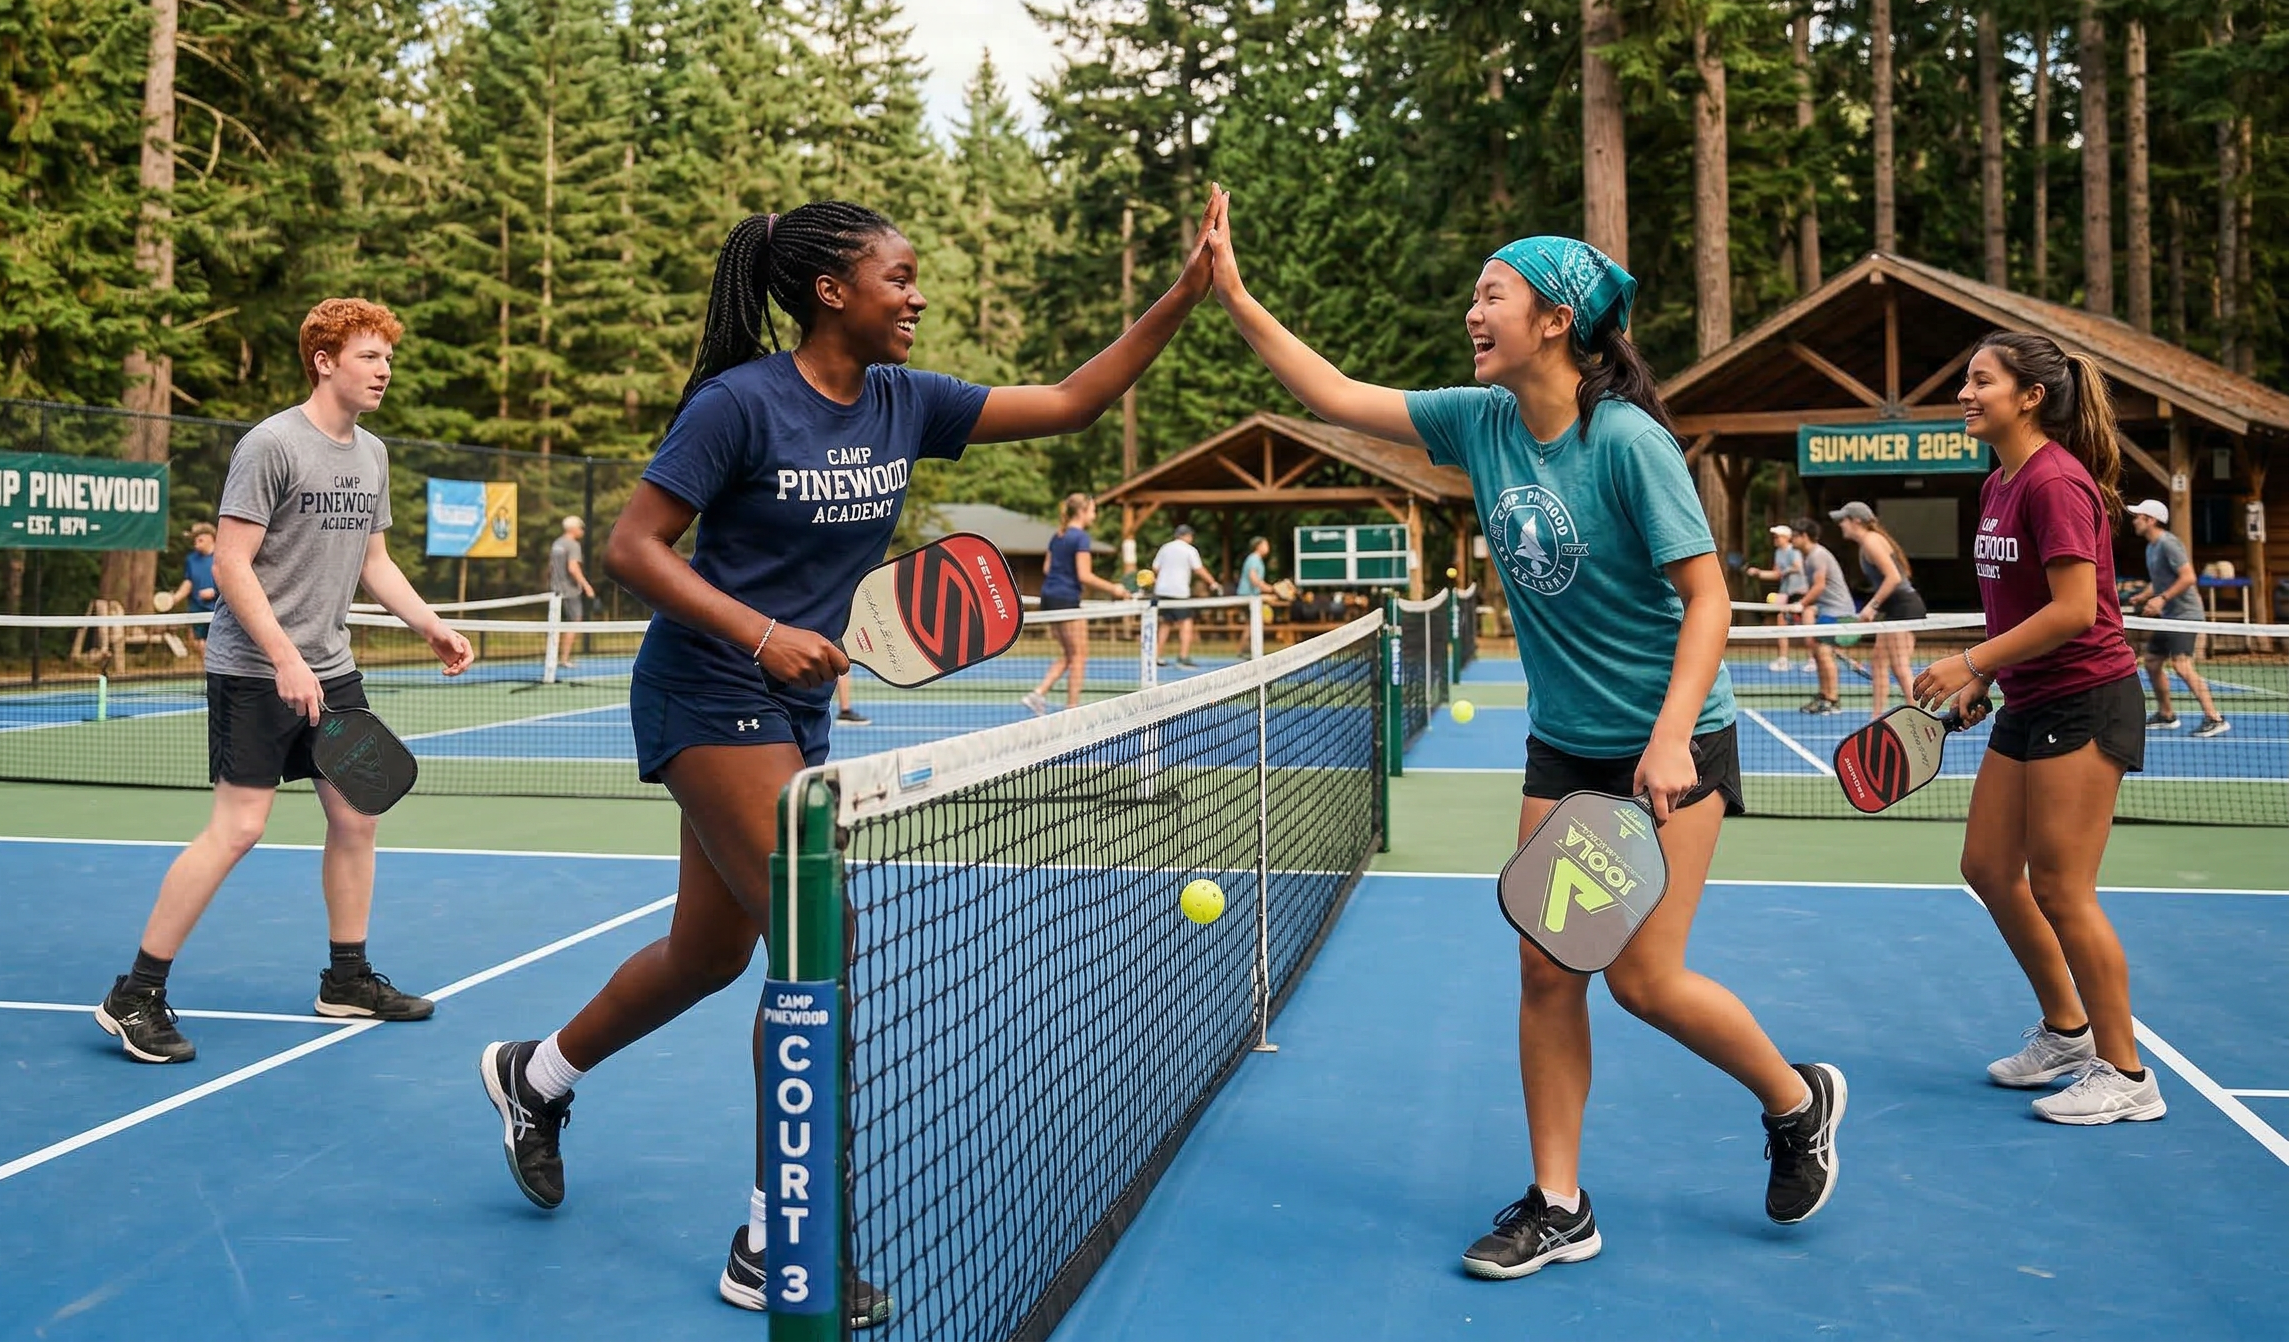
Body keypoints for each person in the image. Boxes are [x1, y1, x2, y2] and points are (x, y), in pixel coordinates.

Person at [478, 191, 1222, 1322]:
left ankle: (534, 1076)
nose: (918, 293)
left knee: (706, 953)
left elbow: (1074, 401)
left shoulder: (905, 403)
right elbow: (636, 546)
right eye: (899, 276)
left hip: (796, 705)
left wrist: (1183, 294)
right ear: (833, 292)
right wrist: (763, 633)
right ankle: (771, 1238)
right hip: (712, 687)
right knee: (824, 940)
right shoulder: (738, 406)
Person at [1203, 205, 1844, 1276]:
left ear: (1554, 320)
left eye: (1491, 294)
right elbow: (1332, 393)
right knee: (1547, 972)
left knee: (1643, 980)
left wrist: (1673, 737)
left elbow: (1708, 599)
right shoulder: (1478, 422)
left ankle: (1795, 1098)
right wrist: (1233, 296)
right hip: (1565, 746)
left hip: (1671, 746)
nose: (1472, 311)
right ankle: (1560, 1203)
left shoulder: (1628, 442)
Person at [94, 300, 476, 1065]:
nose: (384, 369)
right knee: (239, 829)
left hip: (329, 668)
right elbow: (233, 565)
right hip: (253, 670)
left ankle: (347, 979)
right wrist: (283, 658)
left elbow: (374, 562)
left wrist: (427, 622)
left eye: (387, 358)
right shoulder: (270, 445)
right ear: (325, 360)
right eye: (370, 356)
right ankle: (133, 994)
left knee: (357, 815)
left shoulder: (372, 455)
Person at [1915, 331, 2165, 1125]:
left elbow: (2074, 611)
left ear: (2029, 396)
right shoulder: (2000, 483)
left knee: (2061, 886)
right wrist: (1989, 677)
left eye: (1980, 379)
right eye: (1965, 378)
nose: (1964, 392)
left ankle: (2126, 1075)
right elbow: (2023, 610)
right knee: (1988, 866)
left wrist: (1971, 661)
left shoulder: (2055, 481)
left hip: (2087, 699)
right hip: (2031, 700)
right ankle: (2067, 1031)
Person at [2125, 499, 2226, 737]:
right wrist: (2144, 596)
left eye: (2138, 516)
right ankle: (2166, 714)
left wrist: (2161, 599)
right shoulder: (2151, 547)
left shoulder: (2169, 544)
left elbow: (2188, 577)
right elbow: (2161, 580)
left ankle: (2215, 718)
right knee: (2151, 661)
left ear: (2150, 520)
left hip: (2185, 616)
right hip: (2169, 616)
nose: (2134, 520)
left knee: (2181, 665)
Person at [1026, 493, 1127, 715]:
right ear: (1082, 512)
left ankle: (1038, 693)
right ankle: (1072, 709)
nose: (1095, 515)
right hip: (1066, 599)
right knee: (1080, 655)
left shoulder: (1057, 536)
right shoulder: (1080, 538)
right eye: (1093, 510)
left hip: (1049, 597)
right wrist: (1115, 588)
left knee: (1070, 654)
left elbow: (1046, 569)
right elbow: (1084, 575)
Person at [1833, 501, 1926, 717]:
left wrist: (1871, 607)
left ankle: (1920, 716)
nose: (1840, 525)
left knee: (1900, 666)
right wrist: (1876, 608)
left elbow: (1893, 577)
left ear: (1856, 521)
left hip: (1904, 607)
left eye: (1843, 520)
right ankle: (1876, 716)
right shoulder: (1868, 542)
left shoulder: (1872, 542)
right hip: (1894, 607)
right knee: (1878, 660)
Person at [1787, 516, 1857, 713]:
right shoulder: (1807, 557)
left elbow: (1819, 586)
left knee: (1824, 653)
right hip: (1826, 610)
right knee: (1819, 652)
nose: (1791, 539)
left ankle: (1832, 699)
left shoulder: (1817, 555)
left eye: (1794, 535)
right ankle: (1825, 694)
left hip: (1839, 612)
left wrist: (1800, 605)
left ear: (1804, 536)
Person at [1151, 522, 1222, 668]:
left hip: (1161, 591)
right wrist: (1213, 583)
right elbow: (1198, 569)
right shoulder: (1190, 550)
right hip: (1179, 592)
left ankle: (1156, 657)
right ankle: (1183, 657)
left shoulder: (1165, 548)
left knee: (1165, 623)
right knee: (1186, 622)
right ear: (1187, 536)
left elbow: (1155, 568)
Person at [161, 522, 220, 663]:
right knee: (198, 642)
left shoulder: (222, 556)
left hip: (218, 608)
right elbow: (188, 583)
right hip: (197, 609)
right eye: (195, 539)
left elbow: (233, 581)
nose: (196, 542)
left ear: (210, 538)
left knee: (218, 644)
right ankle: (207, 671)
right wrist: (174, 599)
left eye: (200, 539)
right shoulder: (191, 560)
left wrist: (215, 592)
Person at [1750, 522, 1804, 670]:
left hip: (1800, 592)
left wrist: (1784, 571)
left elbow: (1797, 567)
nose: (1775, 538)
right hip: (1786, 593)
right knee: (1781, 623)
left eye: (1778, 536)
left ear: (1787, 538)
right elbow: (1776, 574)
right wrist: (1759, 573)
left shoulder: (1794, 550)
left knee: (1809, 624)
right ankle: (1783, 659)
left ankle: (1813, 660)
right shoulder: (1778, 553)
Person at [548, 514, 596, 670]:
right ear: (574, 528)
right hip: (570, 591)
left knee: (555, 624)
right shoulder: (573, 545)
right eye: (581, 527)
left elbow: (551, 567)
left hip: (555, 591)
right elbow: (573, 568)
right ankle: (564, 659)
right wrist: (586, 586)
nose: (582, 530)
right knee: (574, 622)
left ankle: (553, 657)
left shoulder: (557, 544)